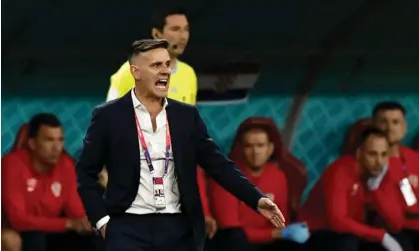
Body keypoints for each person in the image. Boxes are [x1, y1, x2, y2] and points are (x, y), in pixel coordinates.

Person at [76, 39, 285, 251]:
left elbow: (218, 165)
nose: (165, 71)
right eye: (156, 65)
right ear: (136, 72)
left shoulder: (186, 116)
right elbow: (85, 173)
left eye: (167, 65)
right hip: (127, 226)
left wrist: (256, 199)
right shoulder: (108, 116)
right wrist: (102, 221)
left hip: (179, 229)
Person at [207, 120, 309, 251]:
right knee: (234, 237)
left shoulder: (278, 176)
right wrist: (274, 234)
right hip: (234, 242)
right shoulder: (225, 176)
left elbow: (280, 221)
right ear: (241, 148)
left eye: (260, 145)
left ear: (270, 148)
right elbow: (230, 227)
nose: (255, 152)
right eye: (249, 146)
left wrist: (284, 233)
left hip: (266, 240)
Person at [299, 127, 407, 251]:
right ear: (359, 153)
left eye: (384, 154)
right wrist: (380, 235)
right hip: (315, 233)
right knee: (347, 242)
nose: (379, 162)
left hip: (355, 234)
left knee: (401, 241)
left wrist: (375, 190)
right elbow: (338, 222)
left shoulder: (383, 172)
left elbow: (396, 224)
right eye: (372, 154)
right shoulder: (340, 171)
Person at [1, 113, 95, 251]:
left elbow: (75, 210)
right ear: (32, 143)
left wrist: (89, 223)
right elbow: (18, 220)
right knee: (32, 238)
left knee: (87, 237)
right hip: (17, 229)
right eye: (49, 140)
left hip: (50, 229)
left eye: (60, 140)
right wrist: (68, 223)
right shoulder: (12, 164)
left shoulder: (66, 165)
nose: (57, 148)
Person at [107, 7, 197, 104]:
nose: (183, 36)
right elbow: (107, 116)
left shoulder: (189, 74)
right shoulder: (131, 72)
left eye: (186, 29)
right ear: (157, 34)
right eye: (175, 29)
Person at [371, 101, 419, 250]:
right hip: (388, 228)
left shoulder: (414, 158)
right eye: (383, 122)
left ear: (404, 127)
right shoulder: (370, 161)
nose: (390, 127)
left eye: (395, 122)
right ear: (373, 126)